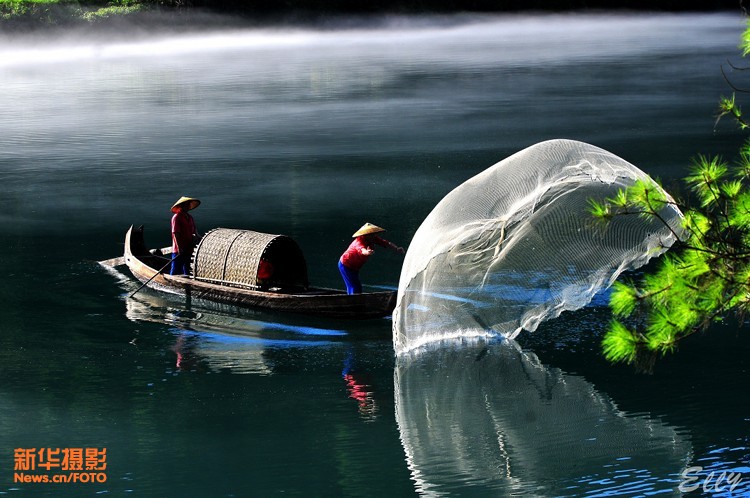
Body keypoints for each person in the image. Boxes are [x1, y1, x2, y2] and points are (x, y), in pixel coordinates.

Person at [339, 223, 404, 295]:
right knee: (355, 286)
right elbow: (362, 250)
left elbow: (386, 243)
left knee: (354, 285)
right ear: (366, 235)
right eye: (371, 234)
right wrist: (367, 252)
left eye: (374, 234)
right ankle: (353, 301)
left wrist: (396, 248)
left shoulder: (373, 239)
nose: (373, 235)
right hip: (346, 265)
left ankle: (351, 298)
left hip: (355, 267)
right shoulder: (359, 242)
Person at [170, 196, 200, 275]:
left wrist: (199, 238)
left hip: (189, 248)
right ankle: (172, 283)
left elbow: (195, 231)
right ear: (181, 206)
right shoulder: (176, 217)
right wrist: (179, 248)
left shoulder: (190, 217)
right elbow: (175, 233)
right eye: (186, 204)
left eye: (189, 204)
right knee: (176, 269)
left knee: (188, 269)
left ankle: (186, 285)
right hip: (179, 249)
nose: (188, 206)